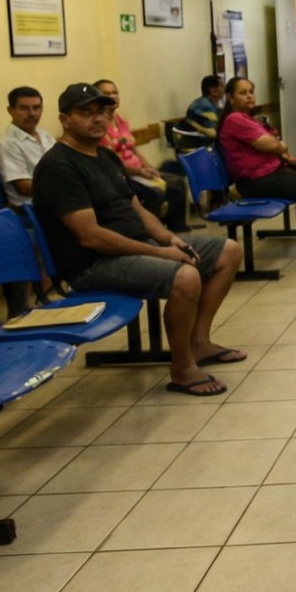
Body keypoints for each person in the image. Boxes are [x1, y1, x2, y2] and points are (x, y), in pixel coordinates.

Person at [34, 82, 247, 396]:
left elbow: (136, 209)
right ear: (65, 119)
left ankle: (199, 343)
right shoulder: (59, 166)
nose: (97, 119)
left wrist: (169, 239)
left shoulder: (105, 157)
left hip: (134, 248)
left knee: (228, 251)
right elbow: (91, 237)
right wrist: (164, 256)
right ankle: (183, 367)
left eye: (102, 112)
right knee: (185, 276)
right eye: (85, 113)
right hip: (92, 264)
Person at [216, 76, 296, 258]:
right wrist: (279, 145)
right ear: (230, 98)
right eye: (243, 93)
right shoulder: (235, 120)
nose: (249, 96)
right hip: (257, 181)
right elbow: (272, 145)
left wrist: (283, 150)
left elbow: (273, 145)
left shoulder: (247, 119)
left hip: (270, 172)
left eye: (251, 92)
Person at [92, 78, 193, 232]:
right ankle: (149, 233)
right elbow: (113, 160)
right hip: (123, 175)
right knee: (155, 193)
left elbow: (133, 149)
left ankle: (177, 230)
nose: (113, 96)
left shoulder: (120, 120)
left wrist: (149, 168)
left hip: (138, 170)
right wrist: (140, 172)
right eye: (107, 93)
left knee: (177, 183)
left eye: (115, 92)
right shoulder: (98, 125)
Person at [0, 86, 55, 208]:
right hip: (34, 208)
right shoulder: (7, 144)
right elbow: (23, 187)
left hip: (59, 199)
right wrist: (66, 186)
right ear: (10, 110)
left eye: (37, 108)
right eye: (24, 108)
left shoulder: (45, 135)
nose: (32, 114)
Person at [183, 74, 224, 140]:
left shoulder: (206, 103)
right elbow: (215, 132)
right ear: (212, 90)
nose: (224, 87)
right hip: (199, 144)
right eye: (222, 85)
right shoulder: (204, 106)